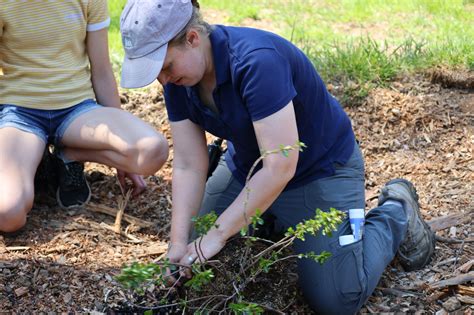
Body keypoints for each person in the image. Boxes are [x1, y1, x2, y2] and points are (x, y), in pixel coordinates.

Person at [119, 0, 436, 313]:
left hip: (319, 171)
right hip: (248, 168)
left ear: (192, 38)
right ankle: (270, 222)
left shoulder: (257, 62)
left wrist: (217, 236)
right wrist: (177, 243)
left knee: (337, 299)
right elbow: (189, 164)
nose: (162, 79)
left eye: (165, 66)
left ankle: (397, 213)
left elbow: (281, 165)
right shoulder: (180, 78)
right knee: (190, 260)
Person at [0, 1, 169, 233]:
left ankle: (68, 155)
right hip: (20, 115)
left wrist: (122, 148)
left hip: (78, 111)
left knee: (153, 151)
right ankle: (36, 161)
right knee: (8, 214)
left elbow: (101, 70)